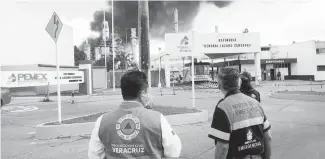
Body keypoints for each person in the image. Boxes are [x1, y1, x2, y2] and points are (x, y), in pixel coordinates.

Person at [88, 71, 182, 159]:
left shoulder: (102, 121)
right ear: (143, 93)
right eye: (147, 92)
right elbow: (173, 151)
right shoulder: (157, 119)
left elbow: (94, 154)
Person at [208, 67, 272, 159]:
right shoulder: (256, 103)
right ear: (239, 83)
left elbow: (222, 147)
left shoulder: (223, 107)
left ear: (219, 85)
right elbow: (268, 138)